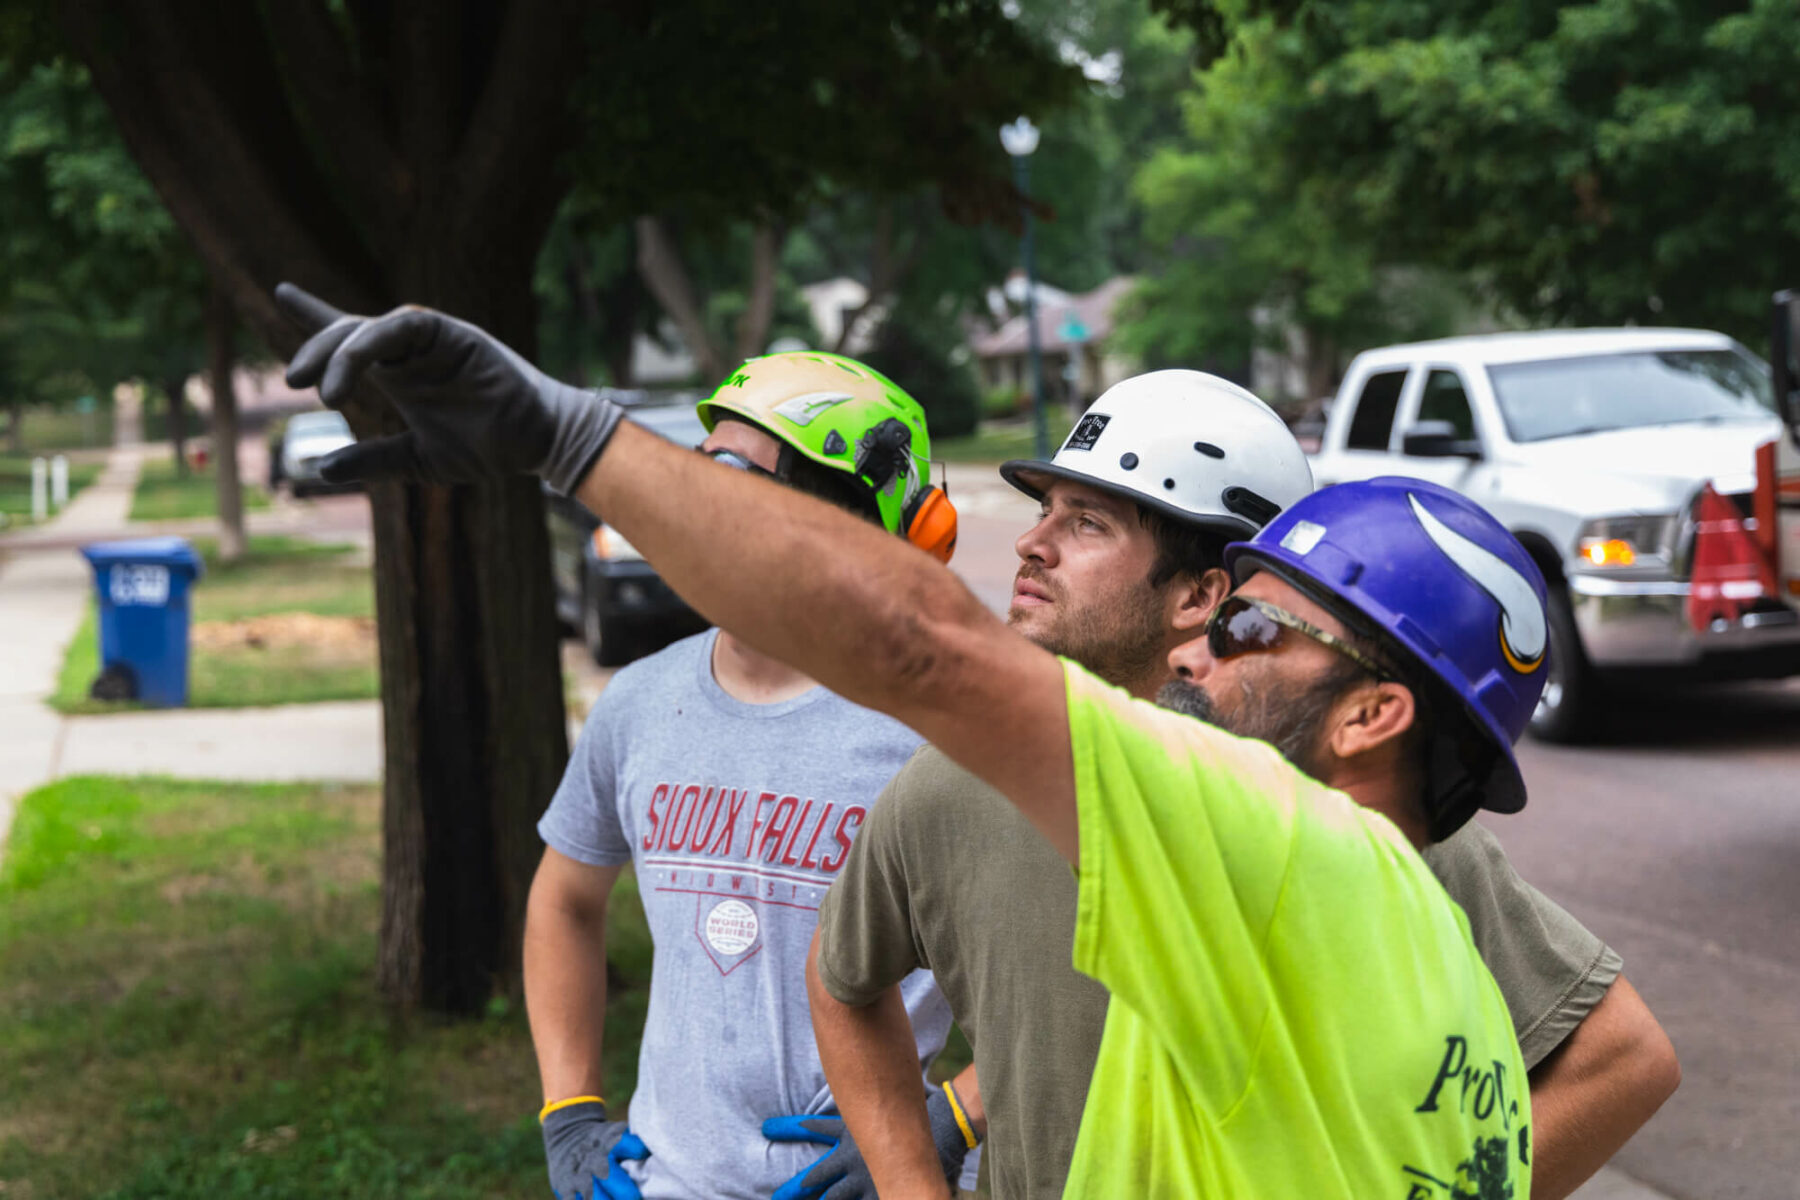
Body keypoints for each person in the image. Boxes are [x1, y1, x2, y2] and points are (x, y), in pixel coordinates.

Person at [273, 286, 1617, 1196]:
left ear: (1377, 715)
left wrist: (571, 439)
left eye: (1255, 629)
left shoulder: (1275, 853)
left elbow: (920, 641)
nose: (1207, 649)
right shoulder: (1429, 960)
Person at [807, 378, 1680, 1199]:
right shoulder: (954, 785)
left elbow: (1622, 1059)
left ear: (1202, 590)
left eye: (1087, 522)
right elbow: (846, 975)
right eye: (1044, 511)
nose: (1034, 543)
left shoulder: (1354, 833)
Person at [518, 352, 977, 1199]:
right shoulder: (642, 701)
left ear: (843, 519)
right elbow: (563, 901)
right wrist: (570, 1108)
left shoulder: (944, 727)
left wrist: (949, 1119)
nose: (692, 512)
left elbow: (1094, 962)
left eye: (734, 481)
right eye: (697, 474)